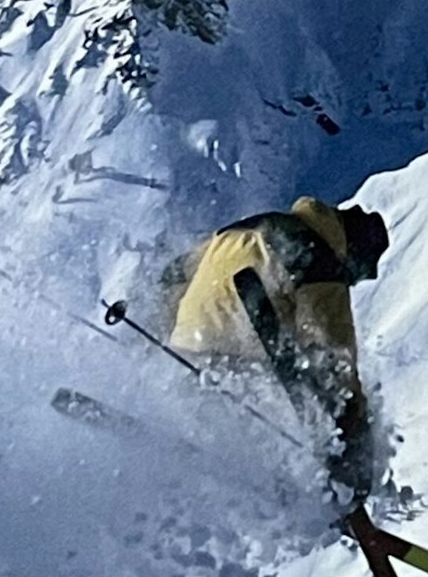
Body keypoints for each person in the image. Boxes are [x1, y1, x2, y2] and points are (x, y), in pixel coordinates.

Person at [167, 196, 389, 508]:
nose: (351, 281)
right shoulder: (319, 261)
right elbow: (335, 357)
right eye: (357, 273)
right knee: (310, 402)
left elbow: (174, 275)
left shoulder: (247, 229)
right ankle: (319, 494)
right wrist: (355, 437)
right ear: (352, 251)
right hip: (239, 365)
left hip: (183, 353)